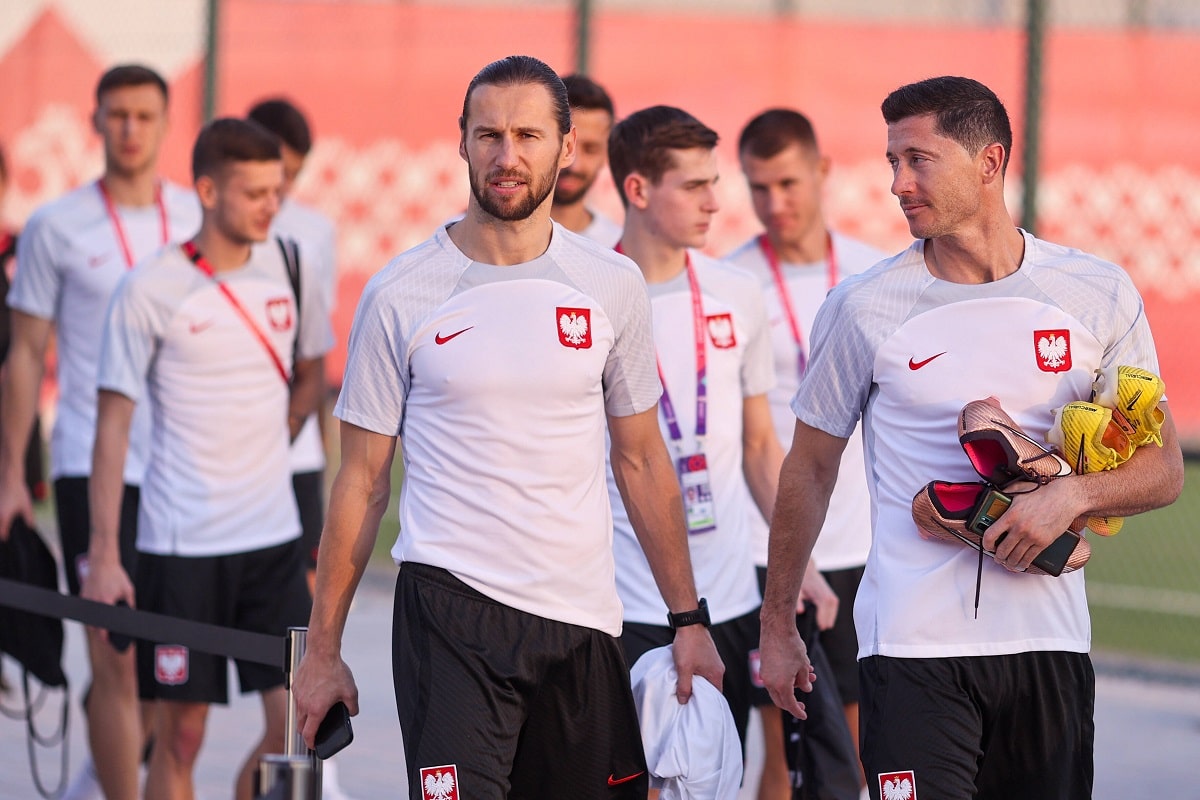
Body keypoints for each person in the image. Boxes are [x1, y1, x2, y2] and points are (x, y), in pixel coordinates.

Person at [291, 55, 724, 799]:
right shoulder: (400, 293)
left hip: (582, 620)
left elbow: (644, 461)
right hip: (449, 615)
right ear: (461, 143)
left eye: (528, 135)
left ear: (568, 149)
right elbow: (360, 483)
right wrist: (322, 651)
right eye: (488, 134)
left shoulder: (610, 285)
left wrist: (689, 619)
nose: (507, 154)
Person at [758, 76, 1185, 800]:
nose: (898, 183)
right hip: (912, 651)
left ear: (989, 164)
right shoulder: (862, 307)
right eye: (893, 160)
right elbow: (809, 470)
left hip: (1048, 646)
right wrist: (777, 627)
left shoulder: (1097, 292)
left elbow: (1165, 468)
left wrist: (1072, 496)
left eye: (918, 159)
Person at [85, 117, 332, 800]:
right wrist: (105, 555)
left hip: (274, 543)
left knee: (299, 729)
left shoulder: (291, 264)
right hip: (180, 545)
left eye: (276, 190)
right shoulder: (151, 287)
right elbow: (111, 428)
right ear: (205, 189)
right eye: (253, 192)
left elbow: (312, 371)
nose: (270, 205)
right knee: (182, 736)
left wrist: (276, 428)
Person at [0, 64, 201, 800]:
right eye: (116, 115)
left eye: (144, 116)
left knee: (169, 666)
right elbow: (23, 354)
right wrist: (11, 478)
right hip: (93, 464)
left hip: (184, 470)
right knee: (114, 658)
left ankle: (114, 768)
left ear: (165, 121)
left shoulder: (197, 220)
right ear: (96, 122)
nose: (129, 130)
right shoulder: (57, 226)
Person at [605, 104, 781, 755]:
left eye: (715, 181)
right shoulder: (589, 298)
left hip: (730, 602)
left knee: (710, 778)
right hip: (623, 607)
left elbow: (762, 444)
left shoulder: (737, 292)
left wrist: (802, 566)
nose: (715, 200)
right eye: (694, 185)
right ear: (639, 189)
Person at [728, 108, 886, 798]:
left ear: (822, 172)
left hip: (864, 545)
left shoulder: (870, 275)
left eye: (788, 183)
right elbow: (747, 437)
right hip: (777, 548)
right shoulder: (734, 285)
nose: (775, 203)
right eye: (758, 187)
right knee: (780, 755)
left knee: (855, 753)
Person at [247, 97, 338, 590]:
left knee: (302, 586)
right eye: (277, 170)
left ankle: (292, 673)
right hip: (229, 444)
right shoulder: (199, 227)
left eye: (294, 174)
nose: (281, 188)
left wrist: (309, 437)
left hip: (294, 443)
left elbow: (314, 348)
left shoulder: (315, 231)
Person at [549, 73, 623, 247]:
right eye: (564, 145)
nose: (574, 165)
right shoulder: (482, 238)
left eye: (591, 149)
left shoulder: (618, 247)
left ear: (607, 153)